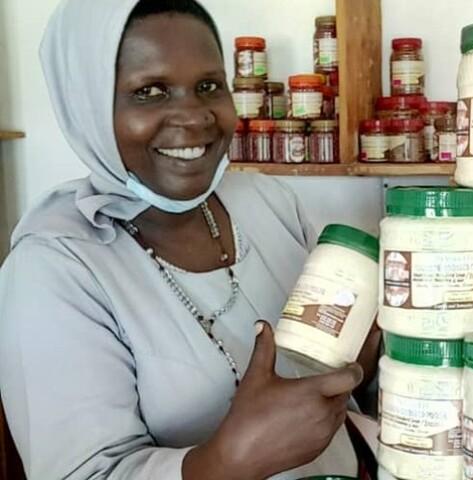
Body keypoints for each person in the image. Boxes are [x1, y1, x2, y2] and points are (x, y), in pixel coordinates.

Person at [0, 0, 381, 478]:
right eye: (150, 91)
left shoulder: (267, 201)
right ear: (88, 107)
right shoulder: (54, 268)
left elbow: (338, 380)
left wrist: (365, 361)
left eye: (208, 87)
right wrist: (226, 462)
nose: (195, 116)